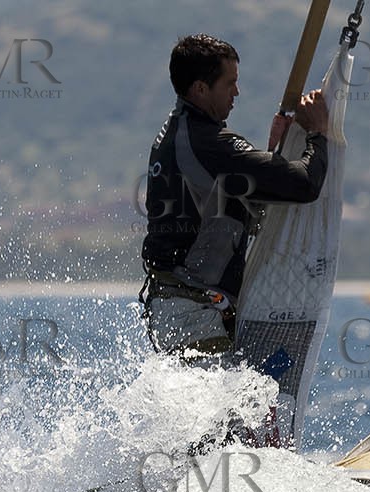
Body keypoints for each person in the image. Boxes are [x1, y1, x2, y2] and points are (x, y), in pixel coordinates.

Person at [140, 34, 331, 356]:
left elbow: (240, 193)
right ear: (201, 88)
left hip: (178, 308)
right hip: (191, 313)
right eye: (230, 84)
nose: (237, 93)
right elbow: (303, 185)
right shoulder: (208, 143)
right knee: (224, 408)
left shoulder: (179, 132)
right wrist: (316, 134)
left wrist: (275, 153)